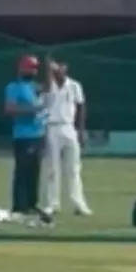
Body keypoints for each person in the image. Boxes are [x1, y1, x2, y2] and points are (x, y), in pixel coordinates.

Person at [41, 58, 92, 216]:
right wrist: (49, 73)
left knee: (74, 168)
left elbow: (81, 106)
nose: (58, 70)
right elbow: (46, 96)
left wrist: (81, 131)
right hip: (52, 127)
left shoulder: (74, 86)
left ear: (66, 68)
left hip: (69, 127)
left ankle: (79, 203)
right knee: (52, 168)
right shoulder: (48, 85)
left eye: (60, 67)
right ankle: (52, 204)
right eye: (55, 68)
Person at [3, 54, 50, 222]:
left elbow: (49, 88)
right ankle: (19, 205)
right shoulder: (14, 87)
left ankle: (32, 203)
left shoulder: (33, 87)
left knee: (34, 170)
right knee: (23, 170)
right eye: (31, 68)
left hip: (38, 134)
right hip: (24, 135)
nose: (33, 71)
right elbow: (9, 109)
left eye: (35, 68)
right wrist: (32, 110)